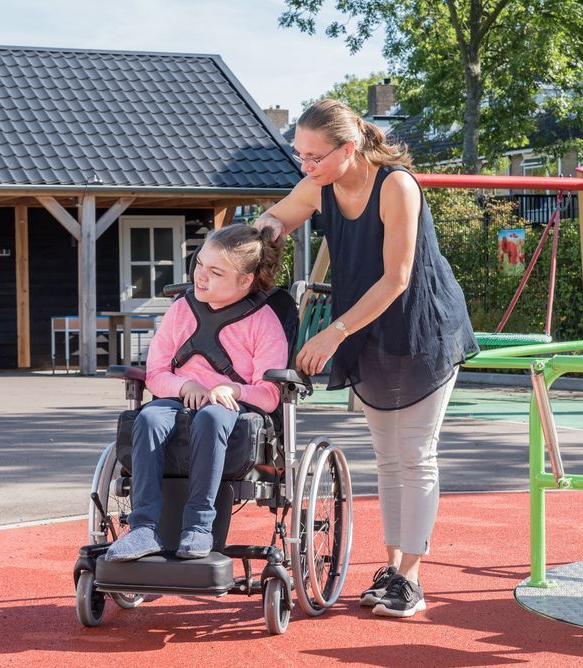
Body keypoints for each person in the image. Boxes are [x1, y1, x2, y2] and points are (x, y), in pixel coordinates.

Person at [255, 99, 478, 618]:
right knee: (387, 457)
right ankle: (393, 569)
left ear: (349, 148)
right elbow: (276, 216)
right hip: (367, 327)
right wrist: (261, 233)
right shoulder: (319, 186)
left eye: (314, 156)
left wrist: (332, 335)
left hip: (422, 325)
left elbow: (397, 279)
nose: (305, 166)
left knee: (415, 452)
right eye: (300, 155)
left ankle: (412, 580)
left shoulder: (396, 185)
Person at [105, 224, 288, 562]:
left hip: (231, 408)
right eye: (200, 264)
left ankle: (199, 526)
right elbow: (156, 374)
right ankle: (143, 528)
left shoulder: (264, 322)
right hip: (177, 400)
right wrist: (185, 386)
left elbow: (269, 394)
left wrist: (231, 388)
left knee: (212, 418)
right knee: (148, 418)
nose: (201, 276)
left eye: (216, 272)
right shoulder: (180, 311)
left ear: (245, 281)